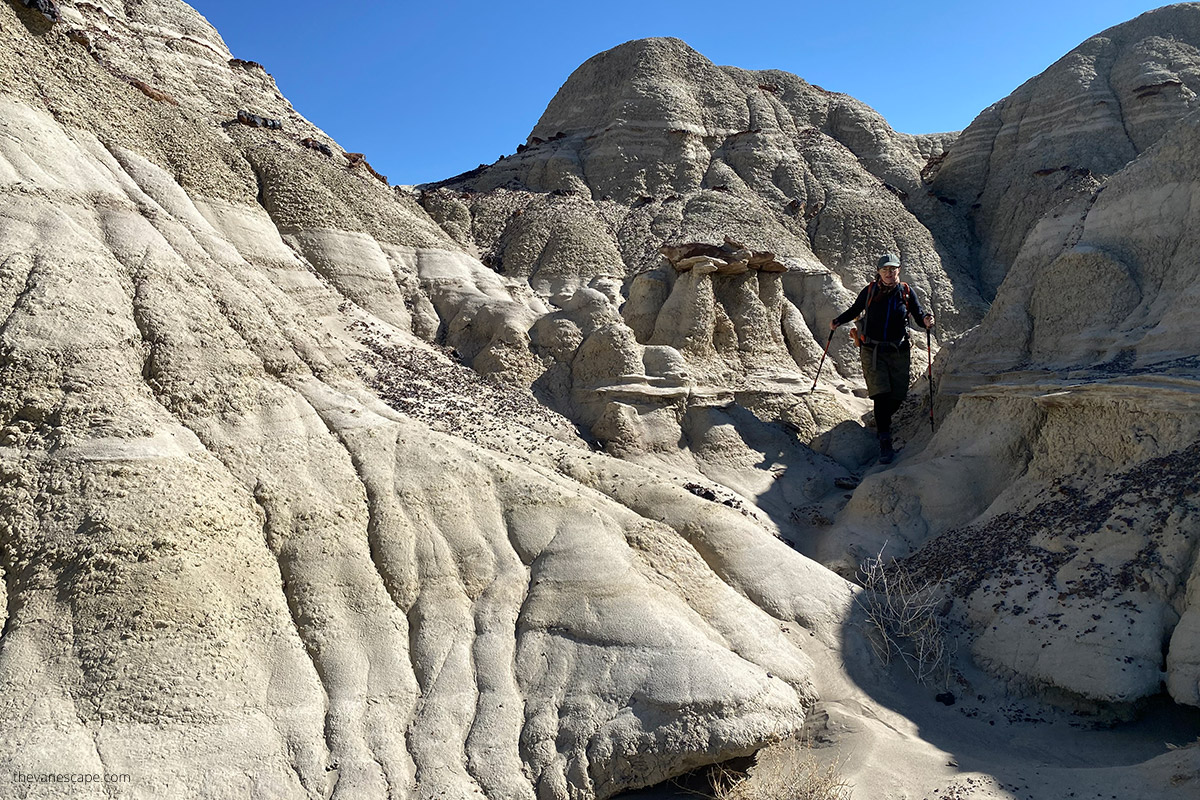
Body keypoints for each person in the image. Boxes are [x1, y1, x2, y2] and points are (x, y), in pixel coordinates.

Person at [831, 253, 934, 464]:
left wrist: (926, 321)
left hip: (899, 351)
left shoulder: (906, 292)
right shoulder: (869, 291)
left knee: (898, 395)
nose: (889, 273)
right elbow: (855, 310)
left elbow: (918, 314)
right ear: (878, 272)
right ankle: (885, 442)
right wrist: (838, 321)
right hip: (872, 350)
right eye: (885, 269)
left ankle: (881, 422)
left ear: (899, 270)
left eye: (892, 269)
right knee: (880, 394)